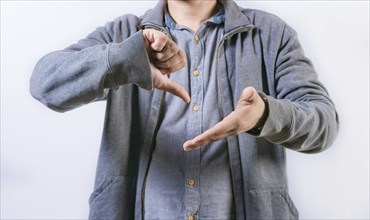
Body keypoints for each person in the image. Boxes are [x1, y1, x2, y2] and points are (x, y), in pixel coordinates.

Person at [30, 0, 339, 219]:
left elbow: (323, 123)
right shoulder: (125, 35)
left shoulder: (272, 35)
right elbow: (45, 83)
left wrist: (264, 116)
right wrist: (127, 59)